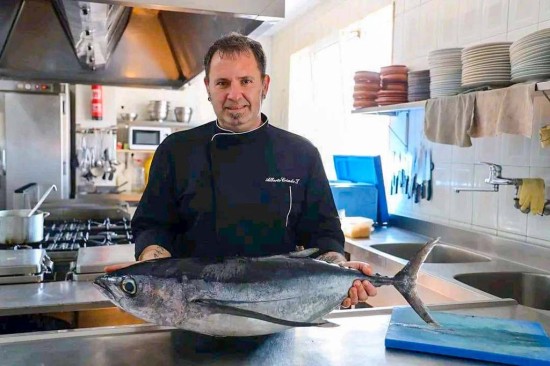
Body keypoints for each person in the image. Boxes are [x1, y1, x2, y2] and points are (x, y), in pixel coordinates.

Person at [119, 33, 376, 308]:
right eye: (222, 83)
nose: (234, 94)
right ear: (208, 87)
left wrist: (340, 272)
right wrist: (148, 272)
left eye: (246, 81)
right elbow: (153, 225)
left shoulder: (302, 154)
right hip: (192, 313)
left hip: (281, 314)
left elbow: (324, 236)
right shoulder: (176, 150)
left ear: (264, 86)